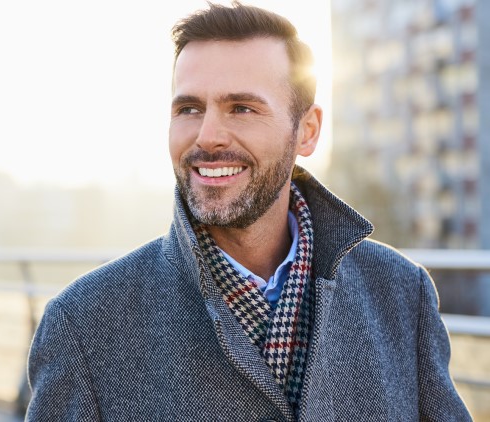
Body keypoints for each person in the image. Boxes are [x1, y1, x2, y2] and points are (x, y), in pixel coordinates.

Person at [25, 2, 472, 421]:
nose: (208, 136)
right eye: (189, 108)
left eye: (241, 107)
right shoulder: (83, 325)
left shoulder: (401, 293)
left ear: (307, 131)